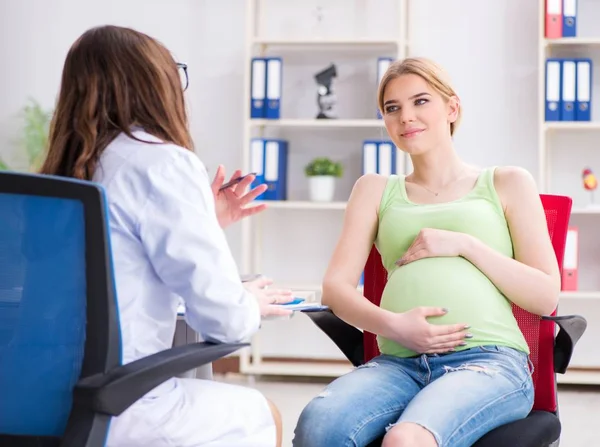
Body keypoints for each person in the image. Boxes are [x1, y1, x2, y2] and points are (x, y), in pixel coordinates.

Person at [40, 25, 294, 447]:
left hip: (37, 401)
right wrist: (248, 301)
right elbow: (224, 320)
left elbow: (114, 274)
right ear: (154, 84)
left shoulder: (61, 175)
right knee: (263, 412)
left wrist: (204, 221)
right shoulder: (162, 163)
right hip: (116, 405)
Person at [293, 57, 561, 447]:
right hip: (396, 364)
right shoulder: (374, 189)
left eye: (421, 101)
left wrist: (465, 245)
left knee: (407, 439)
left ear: (451, 108)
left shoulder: (506, 182)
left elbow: (545, 295)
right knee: (318, 425)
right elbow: (336, 288)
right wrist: (395, 326)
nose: (406, 117)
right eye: (392, 107)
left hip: (487, 362)